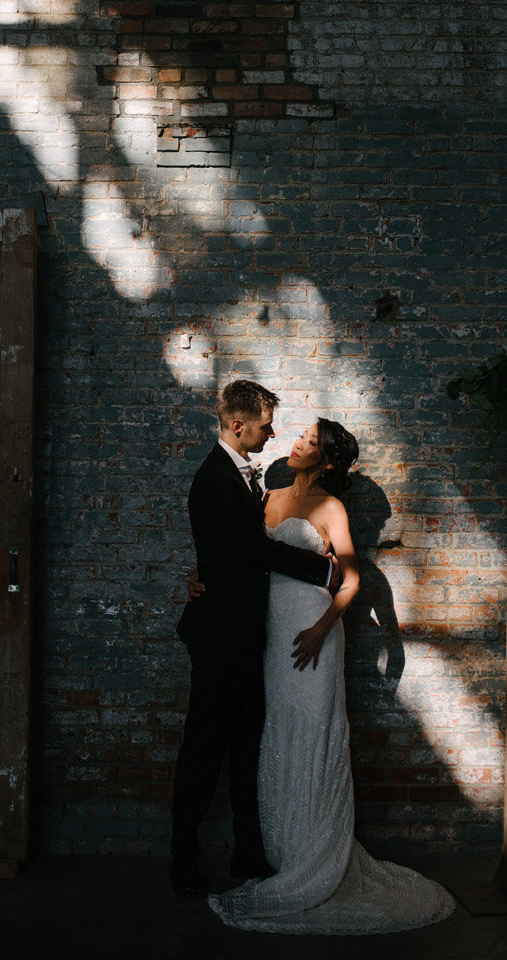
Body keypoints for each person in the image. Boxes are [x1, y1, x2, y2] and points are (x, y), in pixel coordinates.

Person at [206, 416, 456, 934]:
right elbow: (241, 553)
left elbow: (351, 576)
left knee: (315, 728)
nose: (297, 444)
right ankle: (287, 848)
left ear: (329, 459)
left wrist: (323, 628)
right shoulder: (271, 497)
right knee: (280, 730)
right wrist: (201, 575)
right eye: (300, 436)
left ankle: (318, 855)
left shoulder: (331, 507)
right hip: (273, 632)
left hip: (313, 631)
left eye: (311, 442)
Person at [170, 379, 339, 898]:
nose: (272, 433)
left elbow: (230, 555)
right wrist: (324, 572)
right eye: (265, 425)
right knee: (204, 749)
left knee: (246, 749)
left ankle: (247, 853)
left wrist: (204, 572)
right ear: (238, 425)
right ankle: (181, 865)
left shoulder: (245, 477)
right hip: (220, 638)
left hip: (247, 637)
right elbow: (253, 551)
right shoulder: (214, 480)